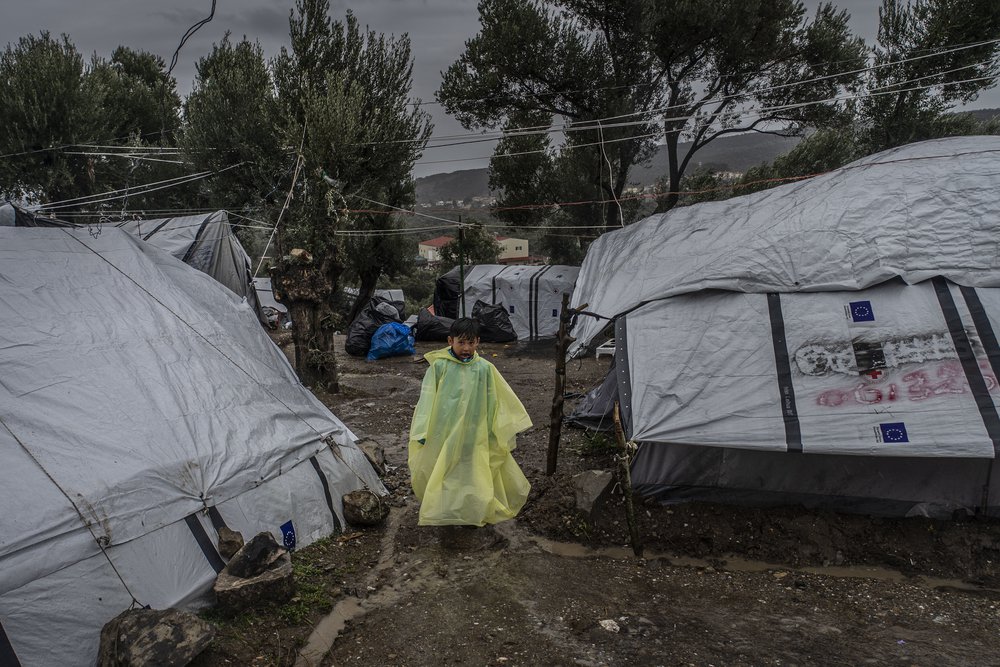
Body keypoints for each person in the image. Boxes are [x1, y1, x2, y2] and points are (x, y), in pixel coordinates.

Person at [408, 318, 532, 526]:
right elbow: (427, 400)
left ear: (478, 342)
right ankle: (446, 508)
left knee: (473, 468)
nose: (466, 348)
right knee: (445, 468)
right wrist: (422, 431)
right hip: (444, 430)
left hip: (475, 431)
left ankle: (472, 508)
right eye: (461, 343)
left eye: (471, 343)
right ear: (450, 341)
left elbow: (496, 398)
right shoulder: (439, 367)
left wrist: (496, 427)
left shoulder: (484, 368)